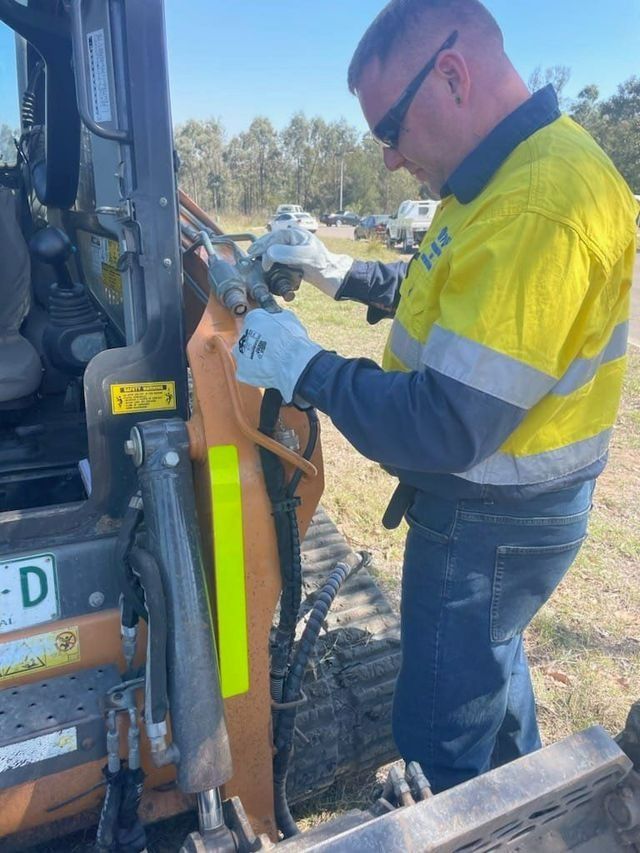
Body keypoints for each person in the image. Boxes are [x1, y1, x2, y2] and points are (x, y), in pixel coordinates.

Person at [232, 0, 638, 793]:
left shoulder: (536, 204)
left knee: (437, 739)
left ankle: (466, 812)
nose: (387, 159)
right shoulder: (501, 175)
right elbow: (445, 296)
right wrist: (338, 272)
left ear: (450, 75)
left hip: (490, 518)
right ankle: (532, 797)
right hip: (516, 513)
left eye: (389, 129)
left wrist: (306, 366)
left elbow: (445, 424)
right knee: (492, 669)